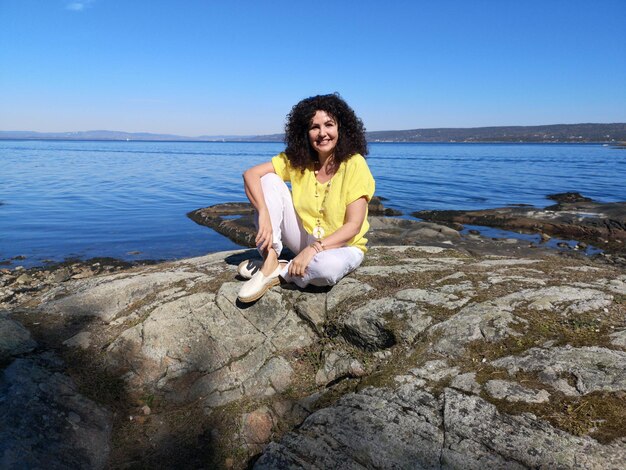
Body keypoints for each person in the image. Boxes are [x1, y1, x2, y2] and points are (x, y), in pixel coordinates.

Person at [237, 93, 375, 303]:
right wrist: (263, 212)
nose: (322, 133)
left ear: (341, 128)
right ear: (305, 132)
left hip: (344, 246)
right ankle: (271, 261)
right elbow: (250, 174)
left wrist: (313, 249)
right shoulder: (298, 160)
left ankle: (279, 270)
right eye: (314, 127)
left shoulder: (354, 164)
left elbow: (354, 226)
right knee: (269, 181)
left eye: (329, 125)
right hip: (305, 238)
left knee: (325, 271)